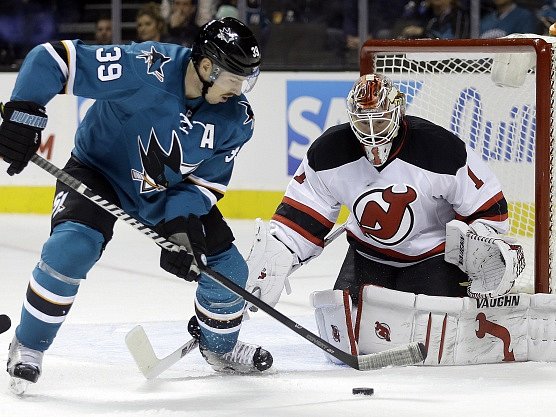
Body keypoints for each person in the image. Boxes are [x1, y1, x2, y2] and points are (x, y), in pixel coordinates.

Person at [0, 16, 269, 392]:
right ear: (207, 67)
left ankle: (219, 348)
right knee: (72, 247)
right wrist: (25, 115)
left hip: (166, 193)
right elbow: (53, 59)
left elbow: (203, 182)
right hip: (99, 173)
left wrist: (182, 228)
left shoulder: (236, 118)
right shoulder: (146, 66)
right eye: (235, 78)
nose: (241, 90)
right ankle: (27, 346)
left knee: (227, 272)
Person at [245, 73, 523, 309]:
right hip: (367, 257)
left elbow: (488, 210)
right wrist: (279, 254)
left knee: (435, 331)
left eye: (379, 121)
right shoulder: (329, 151)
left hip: (432, 259)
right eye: (362, 121)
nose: (371, 131)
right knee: (352, 325)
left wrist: (480, 250)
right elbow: (303, 214)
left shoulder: (440, 149)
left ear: (397, 112)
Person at [398, 0, 470, 39]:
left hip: (452, 62)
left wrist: (424, 33)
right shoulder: (425, 14)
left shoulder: (460, 15)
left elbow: (456, 44)